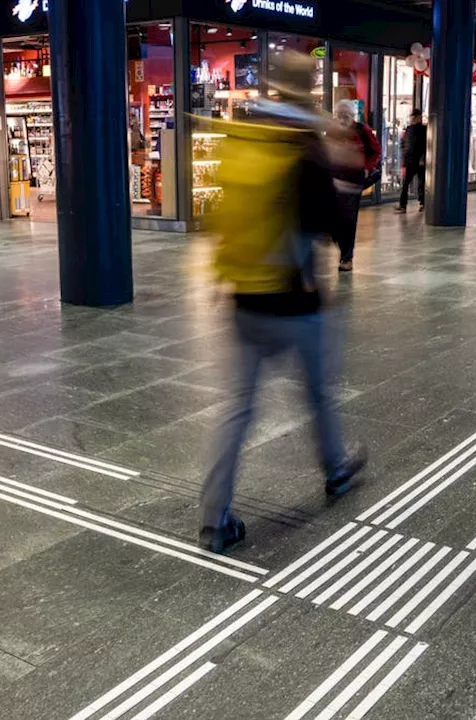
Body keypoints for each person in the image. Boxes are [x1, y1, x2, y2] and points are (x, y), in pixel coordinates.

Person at [200, 52, 367, 554]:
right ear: (309, 90)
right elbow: (334, 223)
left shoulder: (247, 135)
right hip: (296, 301)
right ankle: (336, 470)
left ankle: (215, 520)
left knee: (238, 410)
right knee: (317, 392)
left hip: (245, 295)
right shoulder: (307, 149)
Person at [327, 100, 380, 272]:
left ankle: (346, 257)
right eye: (339, 116)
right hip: (334, 180)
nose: (342, 119)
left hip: (353, 182)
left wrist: (367, 167)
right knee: (334, 219)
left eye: (345, 115)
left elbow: (376, 150)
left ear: (352, 115)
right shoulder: (332, 131)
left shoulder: (362, 131)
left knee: (348, 220)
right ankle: (340, 244)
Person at [395, 110, 427, 213]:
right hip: (410, 161)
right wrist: (404, 161)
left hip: (419, 161)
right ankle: (402, 205)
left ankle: (423, 203)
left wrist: (423, 158)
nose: (412, 119)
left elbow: (426, 145)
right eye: (411, 117)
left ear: (419, 117)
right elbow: (404, 145)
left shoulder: (424, 130)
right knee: (405, 183)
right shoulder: (408, 129)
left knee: (421, 183)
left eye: (414, 117)